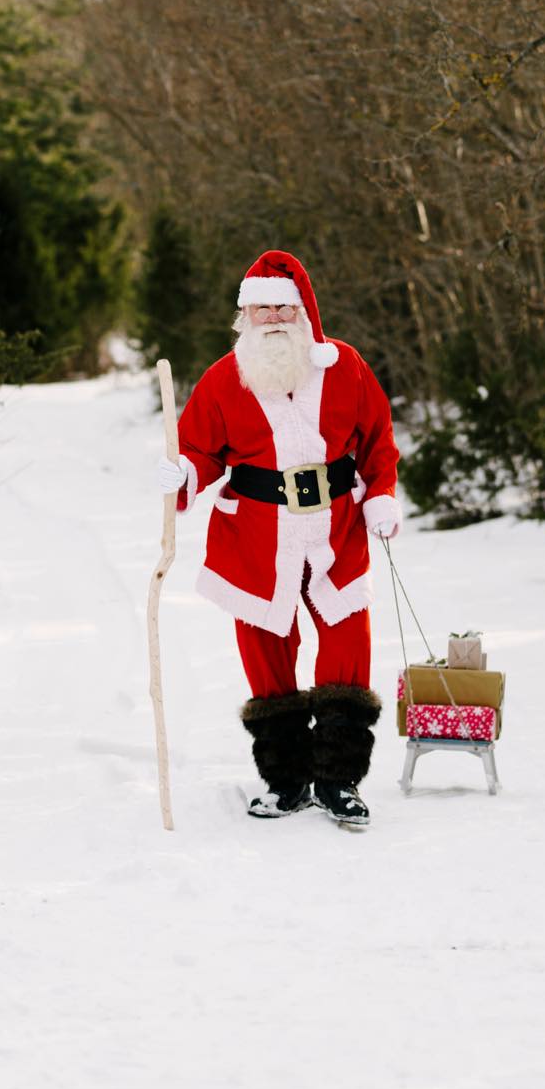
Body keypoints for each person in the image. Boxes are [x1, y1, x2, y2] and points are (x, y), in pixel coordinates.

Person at [155, 249, 402, 826]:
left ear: (300, 313)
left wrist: (383, 491)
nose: (270, 318)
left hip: (336, 529)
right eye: (259, 307)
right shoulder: (223, 379)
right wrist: (184, 473)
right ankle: (286, 779)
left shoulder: (344, 367)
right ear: (245, 315)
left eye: (280, 307)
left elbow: (377, 435)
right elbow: (197, 449)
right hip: (256, 536)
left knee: (347, 644)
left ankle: (338, 781)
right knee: (266, 651)